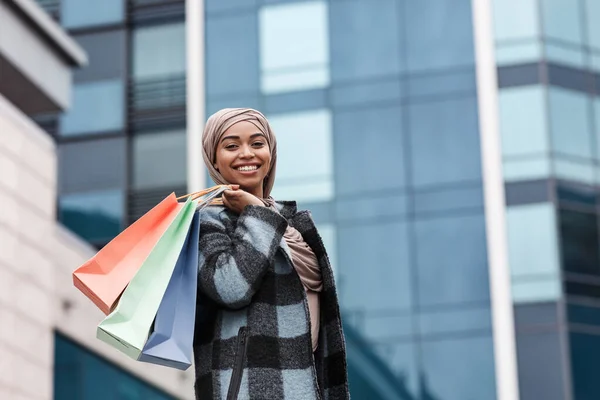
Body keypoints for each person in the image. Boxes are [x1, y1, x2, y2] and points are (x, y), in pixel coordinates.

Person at [193, 108, 349, 400]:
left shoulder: (292, 224)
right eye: (231, 145)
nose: (246, 153)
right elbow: (230, 287)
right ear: (213, 159)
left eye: (256, 143)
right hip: (247, 389)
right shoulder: (207, 221)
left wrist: (260, 212)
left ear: (271, 153)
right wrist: (257, 215)